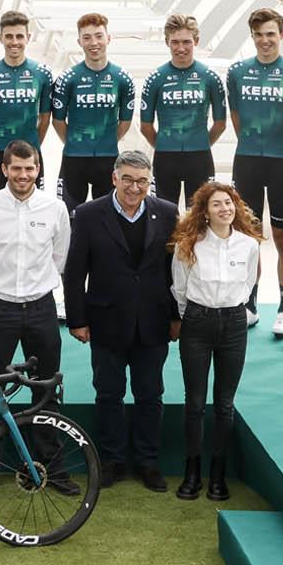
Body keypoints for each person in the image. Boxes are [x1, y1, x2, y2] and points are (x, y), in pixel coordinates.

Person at [64, 149, 179, 492]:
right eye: (127, 178)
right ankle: (111, 460)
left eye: (142, 180)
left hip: (153, 323)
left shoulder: (168, 212)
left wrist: (176, 318)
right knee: (108, 394)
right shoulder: (86, 214)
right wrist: (77, 320)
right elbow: (74, 273)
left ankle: (147, 462)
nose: (134, 187)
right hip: (106, 322)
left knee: (150, 395)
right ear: (114, 178)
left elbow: (176, 273)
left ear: (150, 182)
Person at [0, 140, 70, 484]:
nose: (24, 175)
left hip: (41, 308)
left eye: (30, 168)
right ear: (4, 169)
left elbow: (60, 256)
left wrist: (36, 288)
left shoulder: (54, 209)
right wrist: (2, 289)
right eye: (17, 168)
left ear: (38, 169)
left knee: (46, 389)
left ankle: (50, 467)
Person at [225, 8, 283, 332]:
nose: (265, 41)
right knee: (248, 238)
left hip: (282, 165)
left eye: (270, 34)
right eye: (259, 35)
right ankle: (249, 302)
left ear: (281, 35)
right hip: (247, 162)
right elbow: (236, 115)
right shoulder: (237, 72)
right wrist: (251, 143)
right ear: (252, 37)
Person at [170, 182, 262, 501]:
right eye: (216, 205)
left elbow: (249, 282)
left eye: (229, 202)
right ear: (205, 213)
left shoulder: (249, 245)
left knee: (224, 403)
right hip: (197, 322)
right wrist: (194, 316)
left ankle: (218, 474)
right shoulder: (189, 244)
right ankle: (192, 472)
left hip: (234, 324)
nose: (225, 208)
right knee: (194, 402)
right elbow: (179, 288)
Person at [139, 13, 227, 210]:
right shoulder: (156, 78)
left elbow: (220, 124)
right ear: (167, 42)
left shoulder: (210, 77)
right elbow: (145, 126)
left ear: (196, 41)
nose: (181, 48)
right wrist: (163, 143)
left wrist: (201, 143)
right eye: (175, 42)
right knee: (163, 219)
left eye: (186, 42)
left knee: (199, 218)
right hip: (165, 158)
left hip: (200, 158)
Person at [51, 13, 135, 214]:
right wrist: (74, 141)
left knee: (108, 218)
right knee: (68, 216)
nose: (93, 42)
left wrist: (107, 140)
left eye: (98, 36)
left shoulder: (122, 78)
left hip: (108, 159)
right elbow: (58, 120)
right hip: (74, 158)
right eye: (87, 37)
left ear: (109, 38)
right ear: (79, 41)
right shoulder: (67, 79)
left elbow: (125, 120)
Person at [0, 11, 54, 195]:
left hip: (31, 155)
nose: (14, 42)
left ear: (28, 37)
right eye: (9, 36)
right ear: (0, 38)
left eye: (19, 36)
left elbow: (45, 118)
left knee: (34, 208)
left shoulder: (42, 73)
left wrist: (32, 147)